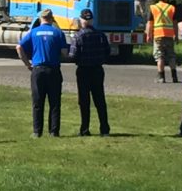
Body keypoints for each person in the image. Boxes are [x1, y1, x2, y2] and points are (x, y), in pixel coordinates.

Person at [16, 8, 69, 137]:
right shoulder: (58, 33)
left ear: (40, 19)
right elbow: (65, 53)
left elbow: (19, 47)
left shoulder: (33, 32)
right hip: (53, 70)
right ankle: (54, 131)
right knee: (54, 102)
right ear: (52, 19)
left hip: (38, 70)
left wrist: (27, 64)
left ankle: (37, 131)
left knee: (37, 102)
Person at [69, 8, 111, 137]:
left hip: (83, 70)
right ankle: (104, 129)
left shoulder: (78, 36)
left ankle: (85, 128)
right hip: (97, 69)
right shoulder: (100, 35)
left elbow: (73, 55)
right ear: (91, 20)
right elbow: (107, 51)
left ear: (82, 20)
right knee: (100, 99)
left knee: (84, 100)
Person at [146, 0, 179, 83]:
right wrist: (176, 36)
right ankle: (174, 76)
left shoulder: (153, 8)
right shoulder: (171, 8)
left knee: (160, 56)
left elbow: (149, 23)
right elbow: (175, 23)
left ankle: (161, 77)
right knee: (171, 56)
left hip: (158, 35)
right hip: (169, 35)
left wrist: (148, 35)